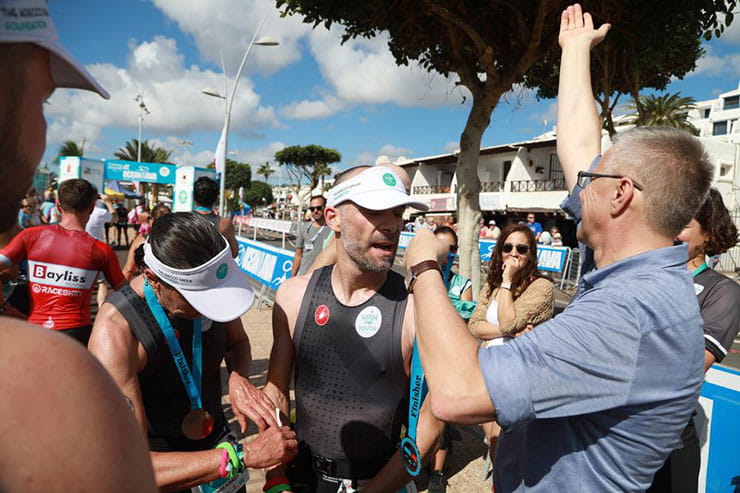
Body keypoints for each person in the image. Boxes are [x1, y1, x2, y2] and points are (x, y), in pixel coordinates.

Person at [402, 5, 713, 492]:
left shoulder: (630, 313)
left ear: (621, 194)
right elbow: (580, 143)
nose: (578, 184)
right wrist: (573, 52)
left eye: (592, 178)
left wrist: (423, 266)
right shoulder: (631, 267)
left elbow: (456, 393)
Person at [0, 2, 157, 490]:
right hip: (75, 340)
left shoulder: (29, 236)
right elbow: (119, 292)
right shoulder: (96, 250)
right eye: (43, 102)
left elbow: (2, 267)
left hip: (32, 327)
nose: (43, 132)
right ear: (90, 208)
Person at [260, 166, 443, 493]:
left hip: (382, 483)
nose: (391, 224)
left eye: (397, 212)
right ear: (333, 218)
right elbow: (275, 390)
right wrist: (276, 476)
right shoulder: (293, 296)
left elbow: (431, 424)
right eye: (374, 211)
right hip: (302, 478)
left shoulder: (415, 308)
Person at [88, 212, 297, 492]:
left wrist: (238, 378)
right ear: (154, 278)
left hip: (220, 455)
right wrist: (243, 456)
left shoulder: (211, 296)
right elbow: (130, 463)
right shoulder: (116, 330)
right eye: (196, 299)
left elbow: (237, 343)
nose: (207, 308)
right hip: (166, 470)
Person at [649, 189, 740, 492]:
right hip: (610, 431)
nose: (672, 233)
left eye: (683, 225)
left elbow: (689, 366)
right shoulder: (644, 277)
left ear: (709, 232)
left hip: (668, 441)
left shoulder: (721, 290)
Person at [0, 178, 127, 345]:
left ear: (58, 206)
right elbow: (126, 294)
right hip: (76, 333)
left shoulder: (31, 236)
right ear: (91, 207)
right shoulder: (101, 250)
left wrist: (4, 306)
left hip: (35, 329)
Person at [428, 226, 475, 493]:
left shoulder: (462, 284)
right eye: (442, 248)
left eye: (452, 249)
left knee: (440, 415)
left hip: (445, 361)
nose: (447, 255)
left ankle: (437, 472)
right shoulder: (417, 280)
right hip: (417, 357)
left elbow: (463, 323)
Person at [122, 202, 171, 280]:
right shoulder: (176, 240)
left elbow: (128, 270)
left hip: (148, 284)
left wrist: (120, 288)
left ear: (152, 219)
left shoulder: (141, 240)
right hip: (172, 286)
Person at [193, 176, 239, 257]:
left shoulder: (182, 220)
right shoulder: (225, 224)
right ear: (216, 198)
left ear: (194, 197)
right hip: (212, 268)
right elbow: (234, 253)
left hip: (188, 267)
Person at [85, 191, 117, 307]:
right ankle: (100, 308)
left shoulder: (79, 210)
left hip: (79, 249)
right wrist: (108, 203)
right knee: (102, 283)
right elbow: (114, 218)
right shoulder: (100, 212)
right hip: (96, 250)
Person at [292, 195, 331, 276]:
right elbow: (298, 255)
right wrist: (292, 277)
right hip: (304, 276)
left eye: (319, 208)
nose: (315, 211)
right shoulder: (304, 228)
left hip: (323, 278)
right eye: (312, 209)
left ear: (325, 207)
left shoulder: (333, 229)